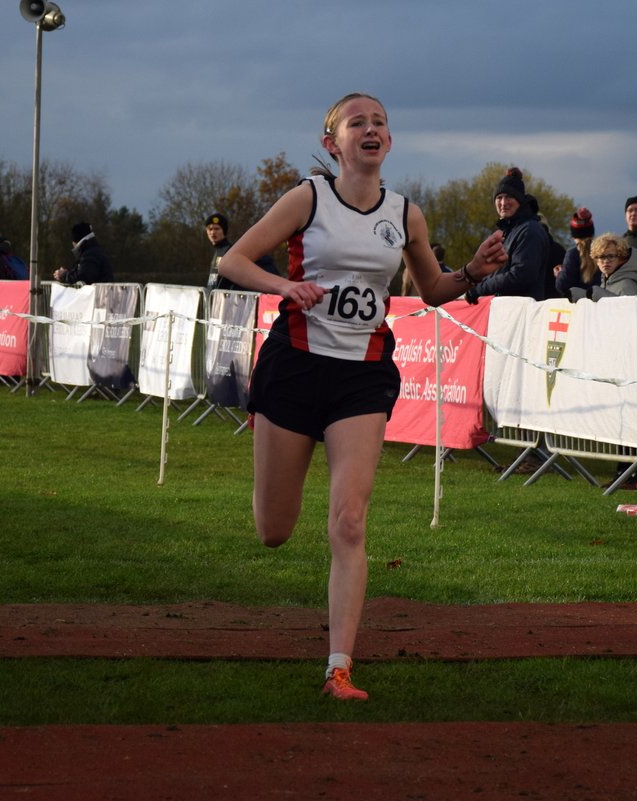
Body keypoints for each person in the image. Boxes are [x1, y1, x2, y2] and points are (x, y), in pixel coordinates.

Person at [217, 92, 507, 701]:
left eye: (379, 122)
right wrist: (284, 286)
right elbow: (234, 260)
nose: (371, 130)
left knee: (349, 521)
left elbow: (431, 289)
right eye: (358, 123)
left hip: (363, 374)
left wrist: (474, 271)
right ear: (333, 143)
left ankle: (339, 669)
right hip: (294, 367)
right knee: (274, 529)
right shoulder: (308, 197)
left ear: (389, 142)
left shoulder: (405, 214)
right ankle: (272, 480)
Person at [465, 167, 549, 303]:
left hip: (521, 314)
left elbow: (522, 276)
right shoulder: (506, 232)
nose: (503, 203)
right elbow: (494, 272)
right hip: (504, 313)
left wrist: (480, 290)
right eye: (499, 198)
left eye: (509, 197)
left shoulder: (529, 231)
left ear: (520, 201)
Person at [205, 212, 278, 291]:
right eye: (210, 229)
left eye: (217, 229)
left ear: (224, 231)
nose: (213, 232)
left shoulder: (230, 251)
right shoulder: (217, 252)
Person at [555, 207, 601, 300]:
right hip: (601, 304)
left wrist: (559, 274)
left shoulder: (573, 254)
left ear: (573, 235)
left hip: (579, 307)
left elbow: (562, 286)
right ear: (592, 232)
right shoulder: (602, 252)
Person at [589, 233, 637, 298]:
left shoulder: (627, 286)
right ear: (596, 261)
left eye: (611, 256)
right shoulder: (604, 284)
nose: (606, 261)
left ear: (621, 258)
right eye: (602, 257)